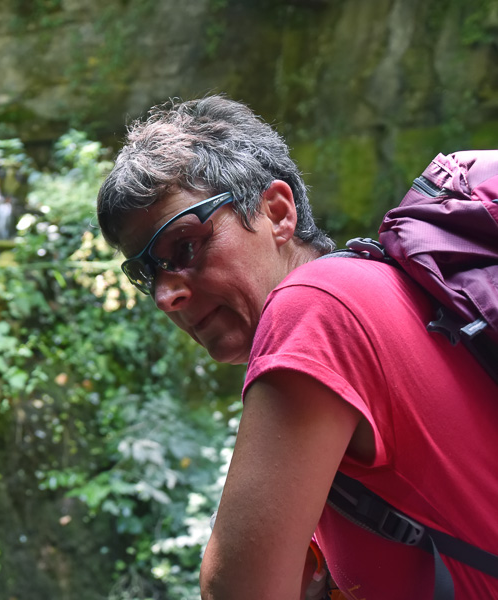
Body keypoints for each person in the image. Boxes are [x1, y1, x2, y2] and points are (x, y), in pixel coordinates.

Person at [95, 95, 498, 599]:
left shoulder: (315, 308)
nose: (165, 295)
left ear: (278, 212)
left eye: (185, 246)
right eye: (145, 274)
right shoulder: (383, 297)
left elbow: (236, 591)